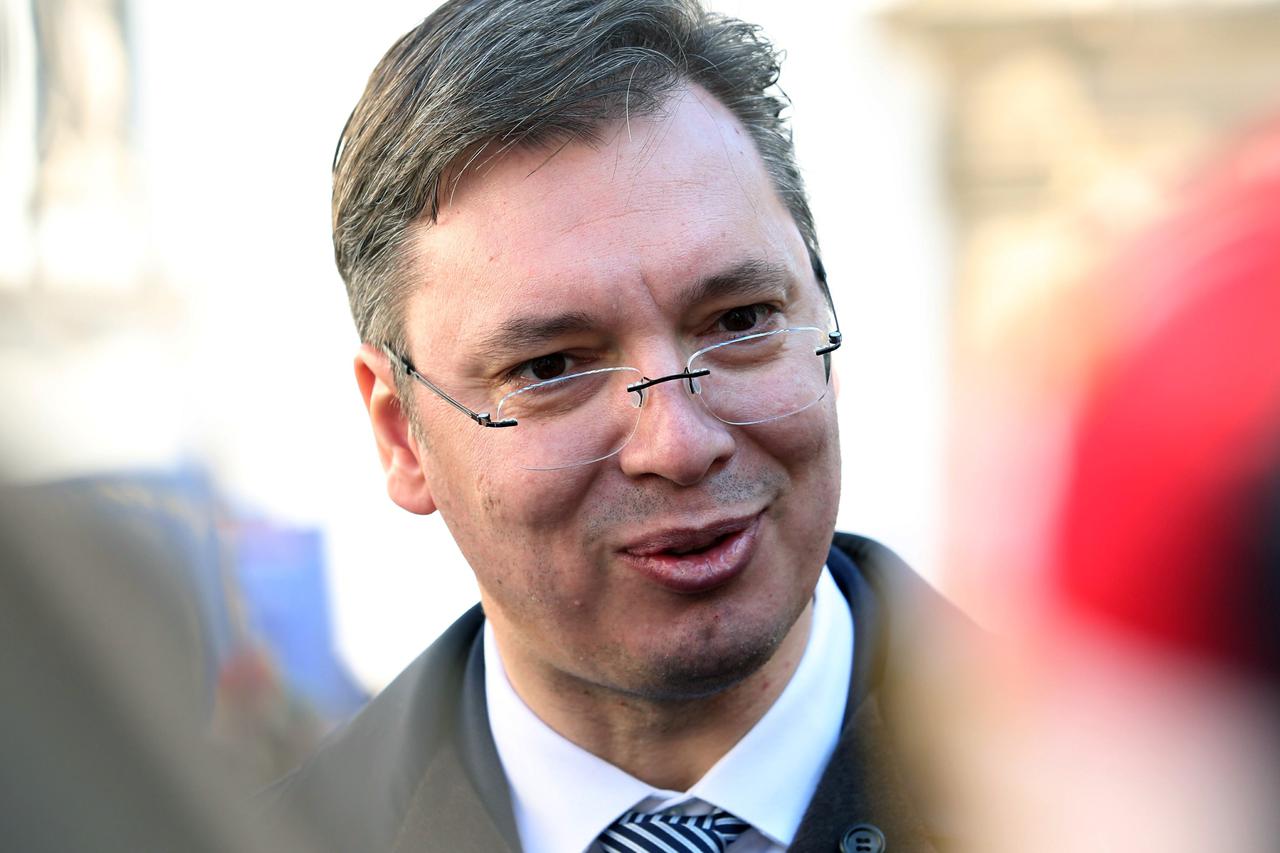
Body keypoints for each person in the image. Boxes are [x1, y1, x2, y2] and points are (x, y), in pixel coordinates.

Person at [265, 2, 978, 851]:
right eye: (551, 368)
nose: (679, 442)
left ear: (823, 310)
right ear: (400, 433)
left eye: (741, 319)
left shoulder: (1111, 788)